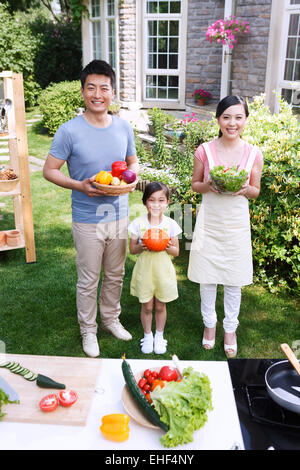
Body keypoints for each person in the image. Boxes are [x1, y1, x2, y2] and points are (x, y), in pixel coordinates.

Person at [43, 60, 139, 358]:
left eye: (104, 88)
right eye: (91, 88)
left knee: (116, 274)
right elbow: (49, 170)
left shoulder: (123, 127)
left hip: (118, 214)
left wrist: (132, 178)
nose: (98, 94)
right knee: (89, 279)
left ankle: (110, 319)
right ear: (83, 91)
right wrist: (79, 185)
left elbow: (132, 162)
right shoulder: (69, 131)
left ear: (113, 92)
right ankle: (89, 330)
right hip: (87, 218)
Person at [187, 95, 263, 358]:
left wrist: (245, 188)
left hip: (236, 223)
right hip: (210, 221)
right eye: (227, 117)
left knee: (234, 279)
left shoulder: (254, 153)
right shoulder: (204, 151)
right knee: (206, 278)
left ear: (245, 120)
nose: (232, 123)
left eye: (238, 117)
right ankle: (210, 325)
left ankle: (230, 328)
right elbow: (195, 185)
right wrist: (209, 185)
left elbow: (255, 191)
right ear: (218, 119)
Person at [128, 182, 182, 354]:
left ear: (167, 202)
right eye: (152, 200)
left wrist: (166, 246)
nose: (156, 205)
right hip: (145, 272)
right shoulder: (138, 223)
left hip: (163, 273)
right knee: (147, 307)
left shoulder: (170, 224)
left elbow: (176, 252)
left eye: (161, 200)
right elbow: (132, 250)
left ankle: (159, 336)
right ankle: (147, 335)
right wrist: (142, 245)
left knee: (160, 306)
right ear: (145, 202)